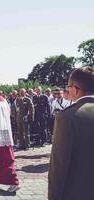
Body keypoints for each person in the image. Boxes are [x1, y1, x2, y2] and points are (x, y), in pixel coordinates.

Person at [48, 67, 94, 200]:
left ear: (75, 89)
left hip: (79, 192)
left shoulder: (68, 116)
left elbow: (59, 165)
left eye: (69, 87)